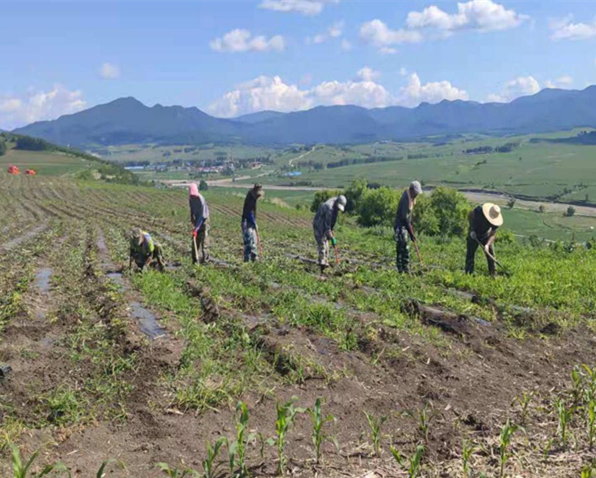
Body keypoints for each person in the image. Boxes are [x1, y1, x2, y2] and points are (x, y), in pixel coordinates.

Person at [465, 203, 503, 276]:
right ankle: (468, 274)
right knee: (470, 254)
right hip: (474, 233)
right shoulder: (478, 211)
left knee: (491, 255)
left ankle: (493, 275)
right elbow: (470, 216)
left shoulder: (496, 222)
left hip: (486, 235)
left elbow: (492, 235)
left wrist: (487, 245)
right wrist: (472, 230)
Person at [394, 181, 423, 273]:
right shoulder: (405, 199)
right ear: (411, 190)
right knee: (402, 248)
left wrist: (410, 229)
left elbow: (408, 218)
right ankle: (402, 270)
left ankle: (405, 268)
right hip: (400, 227)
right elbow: (404, 219)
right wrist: (411, 233)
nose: (417, 194)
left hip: (404, 226)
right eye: (416, 192)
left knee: (404, 248)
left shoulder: (411, 198)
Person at [313, 195, 347, 273]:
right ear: (337, 203)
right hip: (319, 224)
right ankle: (322, 266)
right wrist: (331, 237)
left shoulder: (336, 204)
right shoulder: (329, 208)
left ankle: (326, 262)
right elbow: (327, 226)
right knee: (322, 244)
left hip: (325, 223)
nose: (338, 209)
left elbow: (331, 223)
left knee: (326, 245)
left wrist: (332, 231)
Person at [242, 184, 264, 262]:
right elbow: (248, 212)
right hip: (246, 222)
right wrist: (254, 222)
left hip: (250, 221)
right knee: (249, 241)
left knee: (253, 240)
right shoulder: (251, 198)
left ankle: (253, 258)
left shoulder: (252, 196)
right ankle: (248, 259)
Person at [189, 183, 210, 264]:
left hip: (204, 219)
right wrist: (192, 217)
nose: (193, 197)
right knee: (195, 240)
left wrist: (196, 229)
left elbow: (202, 216)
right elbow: (191, 208)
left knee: (204, 241)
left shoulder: (200, 199)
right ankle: (195, 260)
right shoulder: (190, 198)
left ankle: (205, 261)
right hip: (197, 218)